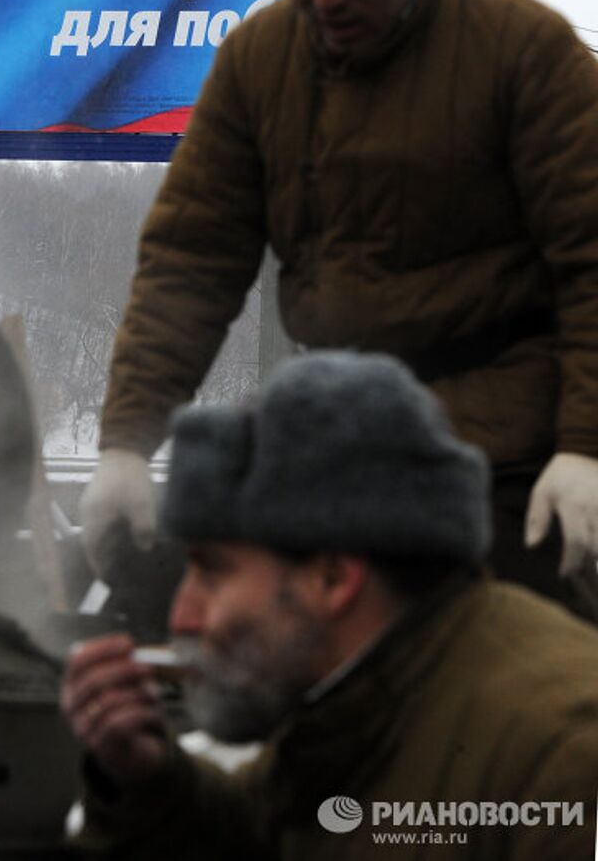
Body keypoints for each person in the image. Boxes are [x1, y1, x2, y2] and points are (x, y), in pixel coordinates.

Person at [80, 0, 598, 606]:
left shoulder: (526, 54)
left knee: (499, 671)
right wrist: (124, 445)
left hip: (506, 454)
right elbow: (191, 262)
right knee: (174, 613)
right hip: (332, 436)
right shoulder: (258, 62)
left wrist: (585, 450)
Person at [62, 351, 598, 860]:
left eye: (213, 571)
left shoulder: (563, 756)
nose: (183, 616)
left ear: (333, 578)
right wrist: (149, 782)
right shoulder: (362, 694)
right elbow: (273, 829)